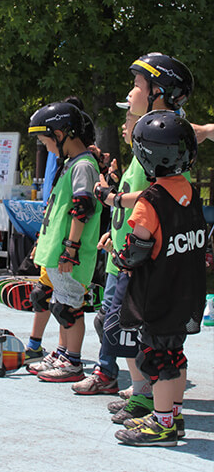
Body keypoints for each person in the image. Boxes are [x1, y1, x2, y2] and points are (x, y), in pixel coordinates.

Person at [89, 53, 195, 423]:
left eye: (137, 85)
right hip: (126, 245)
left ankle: (151, 402)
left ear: (158, 93)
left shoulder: (161, 139)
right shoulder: (147, 135)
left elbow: (155, 196)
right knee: (122, 325)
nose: (130, 92)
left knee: (132, 329)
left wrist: (111, 197)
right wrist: (113, 230)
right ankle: (143, 394)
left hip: (142, 257)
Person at [113, 111, 205, 447]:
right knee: (176, 354)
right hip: (188, 291)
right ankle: (174, 414)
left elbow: (136, 249)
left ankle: (163, 424)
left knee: (159, 358)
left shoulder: (149, 201)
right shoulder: (192, 194)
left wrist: (118, 255)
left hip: (159, 293)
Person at [26, 102, 101, 382]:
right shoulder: (70, 164)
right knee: (59, 304)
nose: (46, 147)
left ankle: (72, 361)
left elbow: (83, 207)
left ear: (61, 133)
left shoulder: (83, 165)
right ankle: (62, 352)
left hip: (68, 253)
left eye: (46, 141)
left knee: (69, 308)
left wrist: (71, 248)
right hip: (56, 250)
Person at [72, 104, 143, 395]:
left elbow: (144, 203)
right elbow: (128, 213)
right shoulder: (136, 162)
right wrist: (111, 234)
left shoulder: (148, 165)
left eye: (129, 119)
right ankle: (130, 377)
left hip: (130, 260)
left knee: (116, 322)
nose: (124, 126)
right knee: (109, 320)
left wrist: (109, 195)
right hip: (118, 256)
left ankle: (120, 376)